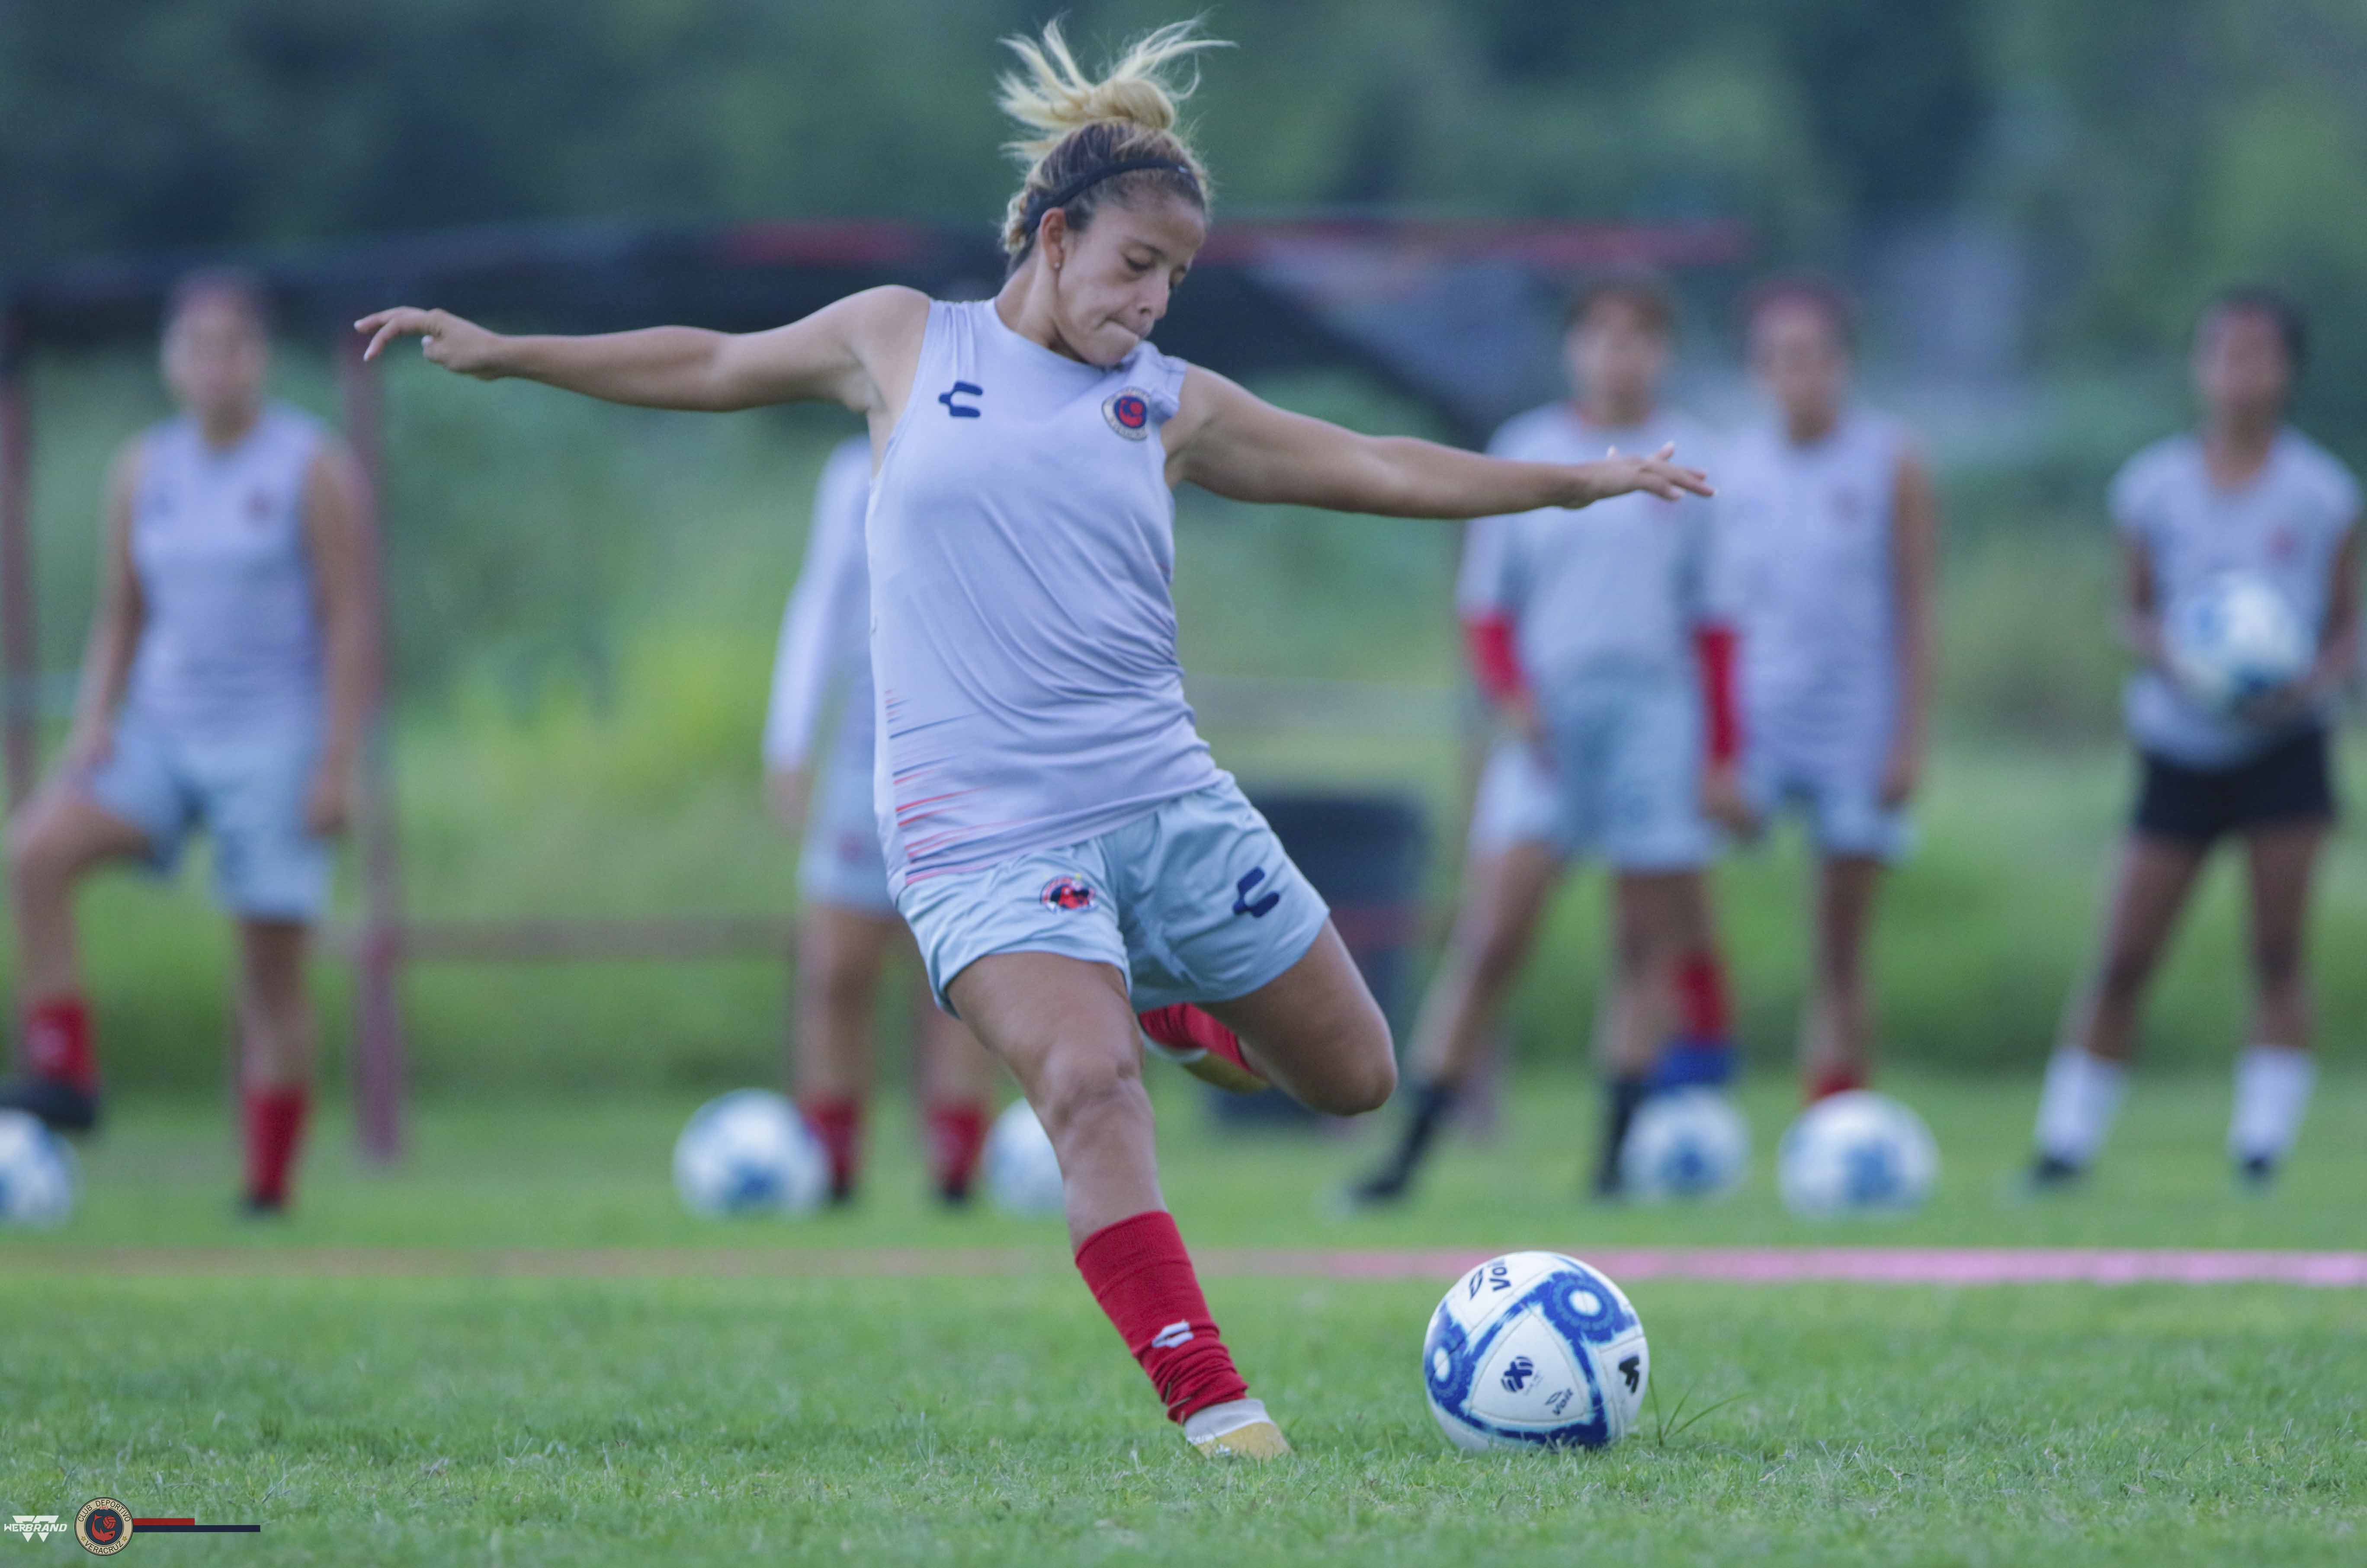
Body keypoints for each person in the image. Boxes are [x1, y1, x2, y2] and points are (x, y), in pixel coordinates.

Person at [354, 20, 1707, 1458]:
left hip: (1162, 798)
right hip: (979, 831)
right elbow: (706, 360)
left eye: (1177, 280)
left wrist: (1574, 482)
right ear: (1054, 236)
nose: (1153, 302)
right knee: (1082, 1079)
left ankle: (1176, 1003)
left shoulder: (1164, 402)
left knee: (1350, 1077)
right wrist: (509, 355)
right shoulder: (898, 339)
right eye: (1137, 266)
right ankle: (1214, 1402)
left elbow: (1372, 464)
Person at [1350, 273, 1743, 1206]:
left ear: (1664, 351)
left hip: (1654, 714)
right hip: (1550, 719)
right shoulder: (1529, 450)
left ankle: (1613, 1159)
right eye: (1601, 334)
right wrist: (1513, 698)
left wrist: (1723, 751)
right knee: (1491, 936)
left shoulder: (1696, 461)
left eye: (1639, 336)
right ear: (1575, 348)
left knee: (1644, 942)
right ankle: (1409, 1155)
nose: (1620, 353)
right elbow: (1487, 607)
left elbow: (1718, 625)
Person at [0, 271, 378, 1214]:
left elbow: (354, 621)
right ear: (172, 359)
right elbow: (121, 613)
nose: (217, 365)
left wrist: (337, 760)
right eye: (198, 346)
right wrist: (92, 724)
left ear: (260, 356)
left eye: (235, 345)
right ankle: (65, 1073)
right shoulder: (144, 468)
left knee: (267, 968)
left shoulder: (309, 465)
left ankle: (266, 1182)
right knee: (37, 849)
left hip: (276, 739)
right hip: (162, 728)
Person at [2029, 287, 2358, 1190]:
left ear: (2286, 370)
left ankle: (2261, 1150)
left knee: (2279, 950)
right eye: (2223, 352)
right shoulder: (2152, 487)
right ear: (2199, 365)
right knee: (2125, 954)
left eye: (2259, 354)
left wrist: (2305, 680)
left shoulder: (2325, 492)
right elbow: (2131, 612)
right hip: (2178, 746)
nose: (2239, 371)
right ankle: (2064, 1147)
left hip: (2287, 749)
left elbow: (2345, 629)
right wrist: (2180, 659)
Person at [1714, 276, 1939, 1103]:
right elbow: (1712, 615)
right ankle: (1686, 1096)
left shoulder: (1891, 461)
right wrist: (1717, 748)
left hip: (1857, 722)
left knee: (1841, 941)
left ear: (1843, 363)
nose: (1798, 374)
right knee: (1681, 914)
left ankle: (1835, 1116)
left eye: (1814, 355)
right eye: (1779, 357)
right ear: (1756, 370)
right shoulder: (1728, 469)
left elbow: (1918, 608)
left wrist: (1910, 737)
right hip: (1753, 721)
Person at [764, 434, 997, 1203]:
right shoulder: (850, 470)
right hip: (867, 754)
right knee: (836, 966)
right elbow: (822, 597)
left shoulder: (996, 453)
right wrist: (790, 739)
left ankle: (957, 1169)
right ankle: (831, 1166)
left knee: (961, 976)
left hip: (973, 756)